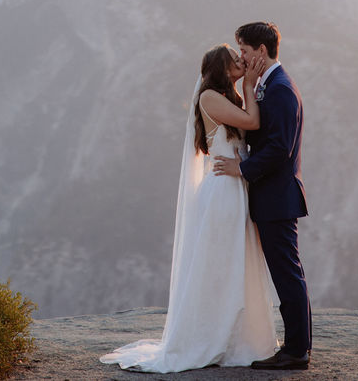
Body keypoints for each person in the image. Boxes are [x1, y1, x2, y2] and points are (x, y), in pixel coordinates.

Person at [100, 44, 278, 372]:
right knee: (221, 261)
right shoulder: (210, 97)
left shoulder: (229, 95)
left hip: (236, 186)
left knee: (236, 260)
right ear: (222, 68)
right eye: (235, 61)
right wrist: (250, 85)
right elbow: (252, 122)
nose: (242, 62)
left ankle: (236, 337)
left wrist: (245, 89)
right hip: (223, 190)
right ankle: (213, 336)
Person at [213, 21, 311, 370]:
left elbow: (280, 148)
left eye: (245, 50)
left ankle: (297, 351)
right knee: (286, 271)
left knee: (286, 273)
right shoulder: (270, 87)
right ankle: (297, 345)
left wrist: (243, 169)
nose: (241, 56)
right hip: (271, 197)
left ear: (262, 51)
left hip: (277, 197)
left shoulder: (281, 89)